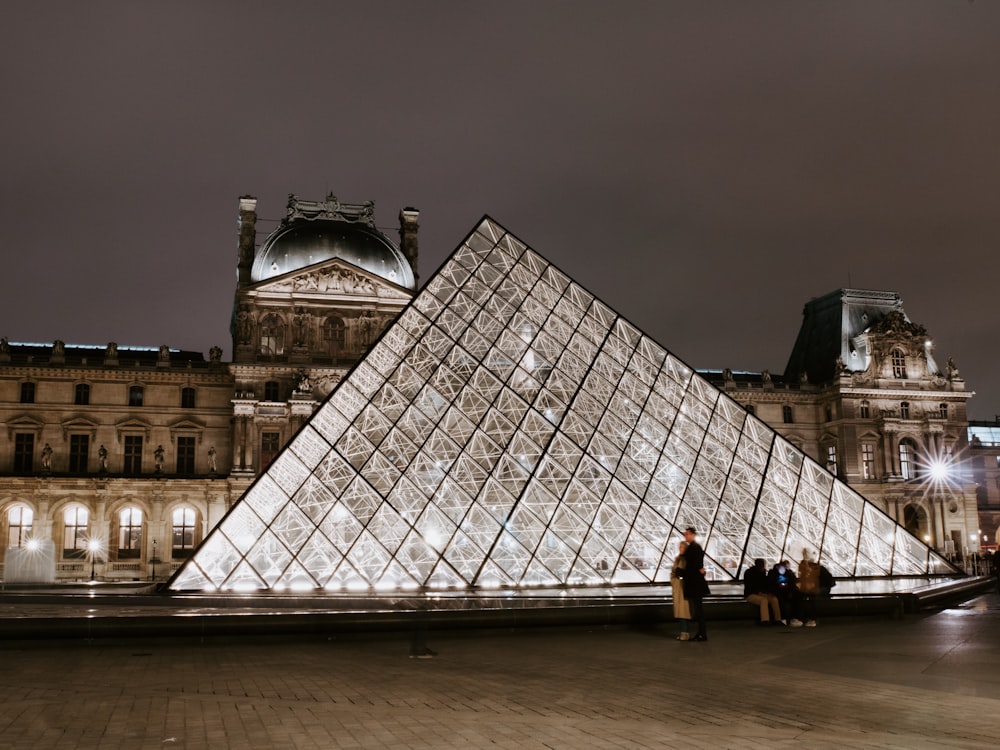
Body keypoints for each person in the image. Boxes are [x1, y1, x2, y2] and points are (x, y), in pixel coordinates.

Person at [680, 527, 710, 641]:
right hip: (696, 584)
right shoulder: (694, 547)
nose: (685, 536)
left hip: (695, 584)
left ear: (693, 535)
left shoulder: (694, 548)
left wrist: (682, 572)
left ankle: (702, 633)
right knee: (698, 610)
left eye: (687, 534)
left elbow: (694, 567)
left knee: (699, 610)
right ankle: (701, 633)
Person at [744, 558, 784, 626]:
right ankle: (765, 620)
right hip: (750, 594)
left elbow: (766, 584)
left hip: (761, 593)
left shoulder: (762, 573)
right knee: (764, 600)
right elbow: (749, 585)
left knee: (774, 599)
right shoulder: (749, 573)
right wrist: (759, 592)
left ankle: (778, 619)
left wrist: (768, 593)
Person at [670, 541, 692, 640]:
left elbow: (679, 572)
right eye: (680, 547)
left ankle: (684, 633)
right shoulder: (679, 559)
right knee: (682, 611)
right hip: (678, 587)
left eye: (682, 547)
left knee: (683, 611)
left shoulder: (684, 559)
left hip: (681, 587)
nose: (680, 549)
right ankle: (684, 632)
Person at [796, 549, 822, 627]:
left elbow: (809, 572)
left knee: (811, 603)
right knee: (808, 603)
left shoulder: (813, 565)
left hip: (810, 588)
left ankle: (810, 619)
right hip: (807, 587)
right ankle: (808, 619)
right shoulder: (805, 564)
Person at [769, 560, 798, 625]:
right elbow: (772, 583)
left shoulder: (788, 573)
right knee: (781, 601)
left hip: (785, 591)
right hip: (779, 592)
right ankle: (788, 618)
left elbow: (792, 582)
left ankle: (789, 618)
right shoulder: (774, 573)